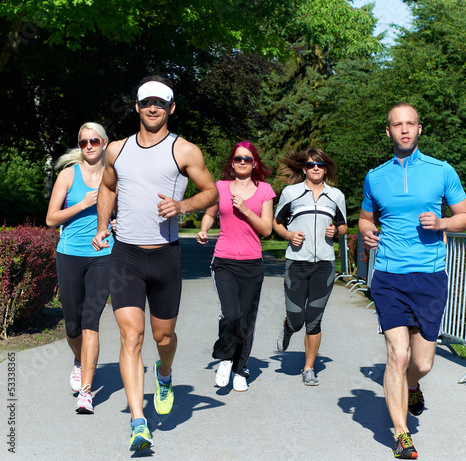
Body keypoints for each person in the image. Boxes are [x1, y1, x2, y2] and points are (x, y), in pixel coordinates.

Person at [91, 76, 218, 451]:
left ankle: (164, 374)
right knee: (131, 336)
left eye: (160, 103)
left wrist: (183, 206)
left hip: (165, 256)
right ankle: (138, 422)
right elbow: (108, 187)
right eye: (146, 102)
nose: (152, 108)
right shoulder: (116, 149)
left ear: (171, 108)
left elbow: (211, 192)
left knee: (163, 337)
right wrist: (102, 226)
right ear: (136, 106)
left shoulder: (184, 151)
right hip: (126, 255)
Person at [358, 102, 466, 459]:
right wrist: (367, 233)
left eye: (410, 124)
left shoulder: (442, 171)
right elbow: (364, 218)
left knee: (421, 363)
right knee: (398, 353)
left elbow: (465, 217)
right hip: (389, 276)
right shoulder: (375, 176)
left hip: (430, 276)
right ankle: (402, 435)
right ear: (388, 131)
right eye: (397, 125)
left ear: (419, 129)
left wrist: (440, 224)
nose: (404, 130)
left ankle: (413, 386)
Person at [46, 122, 114, 414]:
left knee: (90, 321)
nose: (89, 146)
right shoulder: (67, 175)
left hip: (104, 254)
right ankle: (79, 360)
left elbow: (123, 211)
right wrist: (84, 202)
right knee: (72, 324)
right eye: (84, 141)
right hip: (69, 253)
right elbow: (51, 218)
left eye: (94, 141)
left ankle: (85, 393)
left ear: (104, 144)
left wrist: (115, 223)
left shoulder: (114, 177)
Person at [196, 141, 275, 392]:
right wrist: (204, 229)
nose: (242, 162)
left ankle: (241, 369)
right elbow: (209, 214)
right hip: (224, 261)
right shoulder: (219, 188)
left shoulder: (265, 190)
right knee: (231, 314)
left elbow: (267, 229)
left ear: (254, 164)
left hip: (252, 263)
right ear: (232, 162)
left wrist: (245, 210)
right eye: (238, 158)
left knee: (246, 320)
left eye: (247, 159)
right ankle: (226, 358)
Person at [273, 148, 347, 386]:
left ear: (326, 168)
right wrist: (288, 234)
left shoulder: (336, 196)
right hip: (296, 263)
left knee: (314, 320)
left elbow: (344, 226)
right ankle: (288, 326)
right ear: (304, 168)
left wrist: (336, 231)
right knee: (297, 320)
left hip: (324, 265)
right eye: (311, 164)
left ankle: (308, 368)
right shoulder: (290, 193)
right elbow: (276, 223)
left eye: (321, 164)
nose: (316, 168)